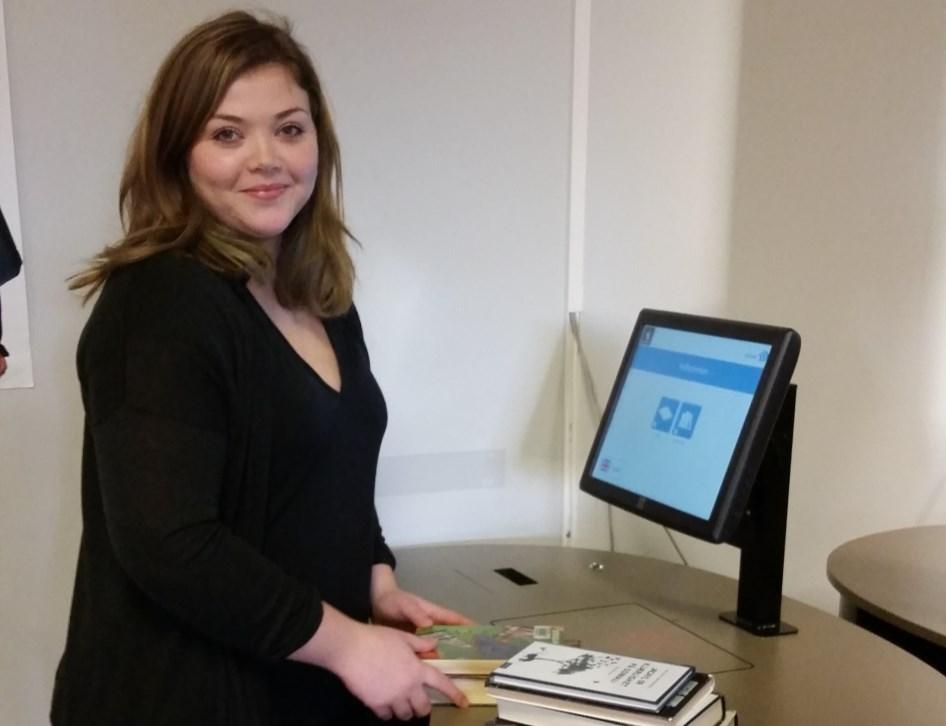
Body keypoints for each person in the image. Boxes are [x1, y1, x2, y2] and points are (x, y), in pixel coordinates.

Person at [52, 11, 470, 726]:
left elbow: (331, 469)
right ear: (177, 152)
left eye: (289, 128)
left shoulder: (317, 291)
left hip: (299, 681)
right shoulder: (158, 303)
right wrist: (349, 647)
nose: (266, 158)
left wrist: (376, 579)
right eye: (226, 134)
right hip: (185, 699)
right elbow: (170, 542)